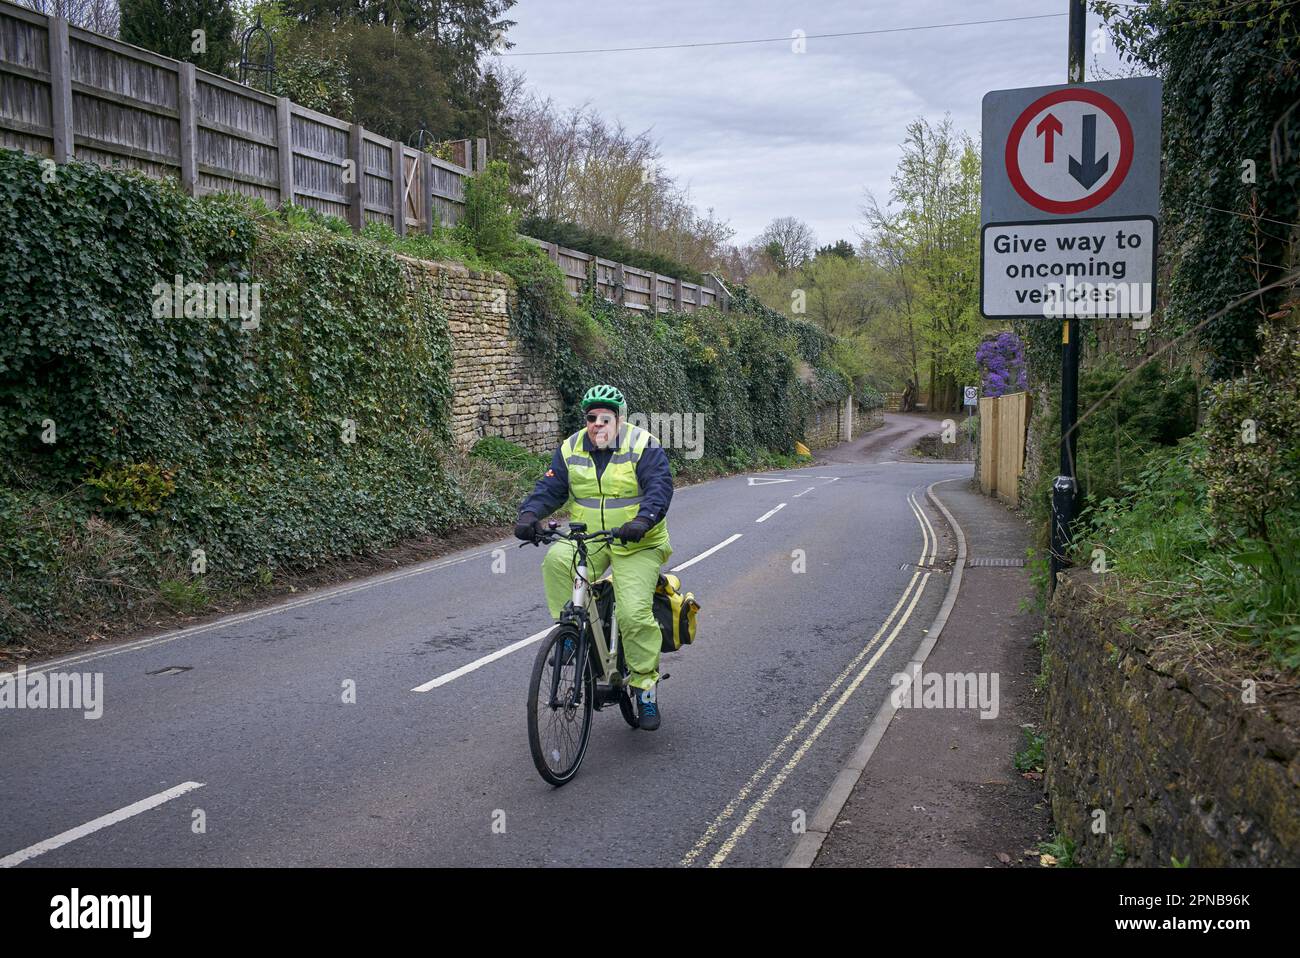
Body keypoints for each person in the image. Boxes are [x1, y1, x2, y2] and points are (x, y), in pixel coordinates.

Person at [514, 385, 673, 730]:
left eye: (605, 418)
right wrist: (530, 515)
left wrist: (643, 520)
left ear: (618, 419)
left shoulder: (643, 445)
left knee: (633, 614)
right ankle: (572, 635)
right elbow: (550, 488)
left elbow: (660, 488)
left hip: (638, 542)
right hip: (591, 538)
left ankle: (645, 687)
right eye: (591, 418)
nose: (597, 425)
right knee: (557, 560)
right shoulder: (571, 448)